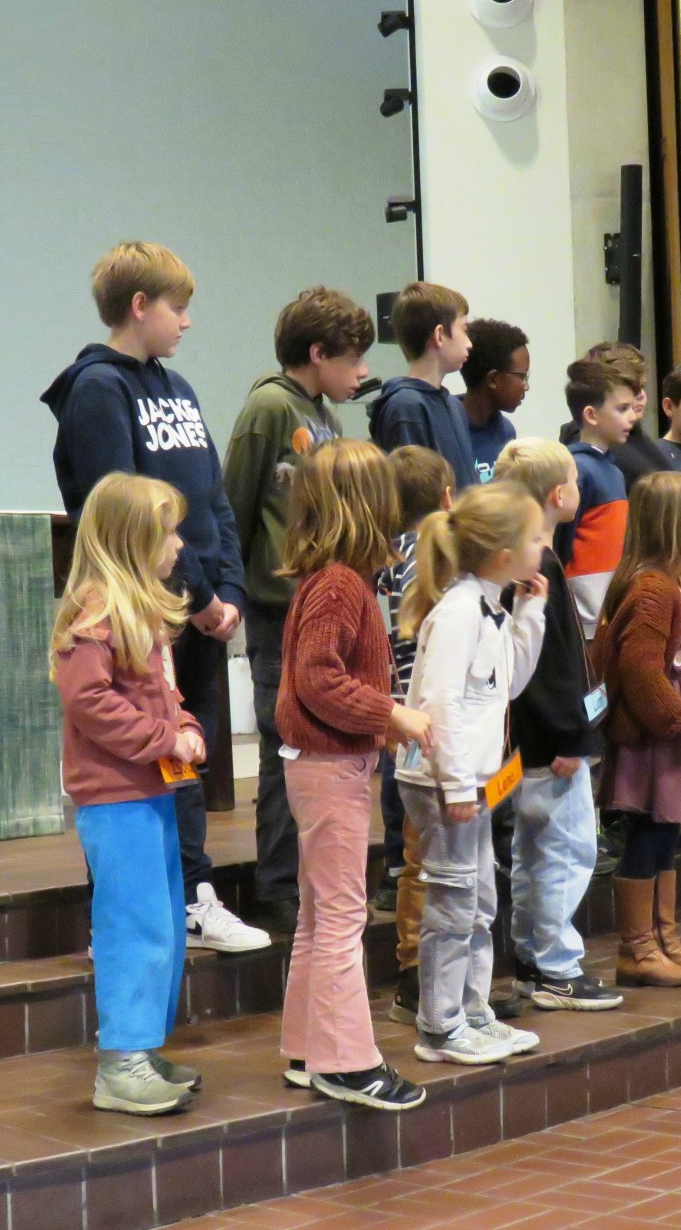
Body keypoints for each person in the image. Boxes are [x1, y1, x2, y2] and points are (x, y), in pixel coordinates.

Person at [43, 243, 268, 948]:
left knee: (188, 750)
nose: (188, 322)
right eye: (179, 307)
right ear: (139, 307)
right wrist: (194, 596)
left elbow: (214, 499)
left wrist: (225, 587)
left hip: (197, 602)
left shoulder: (178, 388)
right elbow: (127, 513)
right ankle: (130, 906)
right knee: (143, 756)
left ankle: (192, 889)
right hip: (146, 609)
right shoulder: (97, 390)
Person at [274, 439, 432, 1111]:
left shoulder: (335, 577)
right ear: (370, 504)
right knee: (340, 916)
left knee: (319, 915)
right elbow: (318, 678)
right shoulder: (341, 582)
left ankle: (308, 1047)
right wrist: (391, 711)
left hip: (326, 764)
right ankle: (346, 1062)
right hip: (330, 766)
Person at [221, 288, 373, 943]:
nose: (362, 372)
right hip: (281, 608)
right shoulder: (269, 408)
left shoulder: (324, 414)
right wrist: (238, 589)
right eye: (354, 358)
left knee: (322, 749)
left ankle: (314, 875)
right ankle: (277, 886)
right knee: (287, 744)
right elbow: (234, 503)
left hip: (327, 606)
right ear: (318, 353)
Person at [52, 473, 204, 1116]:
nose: (178, 545)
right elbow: (88, 700)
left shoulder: (138, 609)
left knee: (165, 922)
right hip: (117, 798)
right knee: (133, 926)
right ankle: (120, 1061)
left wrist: (184, 725)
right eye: (166, 532)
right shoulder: (97, 610)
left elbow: (163, 692)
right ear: (131, 541)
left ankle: (141, 1045)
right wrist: (163, 739)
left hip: (149, 792)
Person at [396, 482, 547, 1064]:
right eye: (536, 538)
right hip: (442, 782)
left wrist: (530, 611)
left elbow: (504, 685)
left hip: (471, 779)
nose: (543, 546)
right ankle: (439, 1024)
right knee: (454, 900)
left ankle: (472, 1010)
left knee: (480, 899)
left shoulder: (489, 606)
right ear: (504, 555)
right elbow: (438, 705)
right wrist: (457, 782)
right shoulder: (459, 611)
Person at [492, 439, 623, 1011]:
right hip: (551, 741)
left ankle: (532, 961)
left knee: (534, 850)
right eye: (574, 477)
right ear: (558, 494)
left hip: (535, 739)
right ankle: (554, 966)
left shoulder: (524, 556)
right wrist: (572, 736)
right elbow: (546, 667)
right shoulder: (535, 563)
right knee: (565, 851)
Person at [595, 472, 681, 987]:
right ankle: (638, 949)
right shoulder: (654, 589)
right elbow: (640, 669)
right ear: (679, 526)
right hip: (651, 738)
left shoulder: (660, 581)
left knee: (667, 833)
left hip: (663, 736)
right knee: (648, 836)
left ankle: (664, 938)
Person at [376, 445, 452, 1024]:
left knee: (420, 853)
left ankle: (422, 971)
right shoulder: (432, 559)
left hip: (407, 717)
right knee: (426, 855)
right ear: (448, 497)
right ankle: (415, 975)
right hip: (426, 721)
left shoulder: (387, 557)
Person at [368, 281, 477, 492]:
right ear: (439, 335)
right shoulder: (406, 406)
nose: (469, 343)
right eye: (464, 330)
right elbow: (415, 494)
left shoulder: (453, 405)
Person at [559, 359, 639, 638]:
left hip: (605, 614)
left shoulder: (612, 470)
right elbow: (561, 543)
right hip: (583, 620)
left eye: (632, 407)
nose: (633, 417)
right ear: (591, 415)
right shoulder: (577, 469)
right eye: (622, 409)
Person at [584, 342, 671, 488]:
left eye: (642, 387)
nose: (640, 395)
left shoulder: (635, 435)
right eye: (630, 389)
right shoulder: (596, 450)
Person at [460, 319, 528, 484]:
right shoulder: (449, 430)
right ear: (493, 379)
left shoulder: (506, 431)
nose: (526, 386)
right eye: (522, 376)